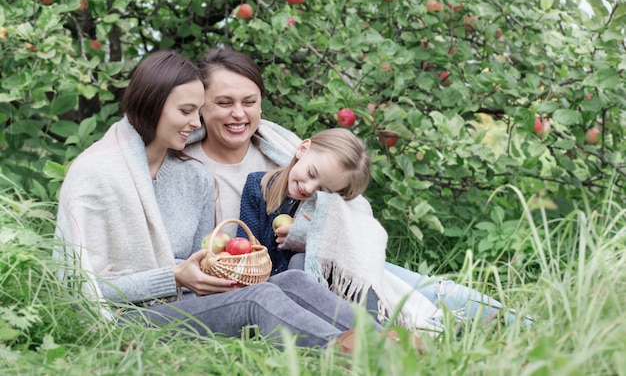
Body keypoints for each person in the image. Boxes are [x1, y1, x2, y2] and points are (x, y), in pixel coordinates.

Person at [53, 49, 390, 350]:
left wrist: (213, 272)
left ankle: (388, 340)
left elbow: (199, 257)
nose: (196, 123)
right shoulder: (99, 176)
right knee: (259, 299)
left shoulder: (194, 176)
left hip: (185, 303)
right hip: (129, 317)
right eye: (187, 111)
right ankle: (361, 355)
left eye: (198, 111)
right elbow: (78, 287)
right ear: (152, 105)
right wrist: (175, 276)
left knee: (291, 279)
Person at [185, 47, 527, 327]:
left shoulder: (284, 149)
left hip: (329, 265)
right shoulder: (189, 168)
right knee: (393, 296)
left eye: (249, 102)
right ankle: (424, 331)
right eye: (224, 102)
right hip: (271, 280)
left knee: (419, 287)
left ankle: (517, 322)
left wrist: (313, 231)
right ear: (202, 104)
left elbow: (345, 207)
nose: (239, 114)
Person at [237, 128, 371, 276]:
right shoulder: (257, 186)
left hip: (306, 284)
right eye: (311, 173)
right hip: (261, 281)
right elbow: (245, 245)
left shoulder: (325, 210)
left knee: (299, 261)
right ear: (302, 149)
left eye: (322, 190)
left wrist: (315, 241)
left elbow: (355, 254)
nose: (309, 188)